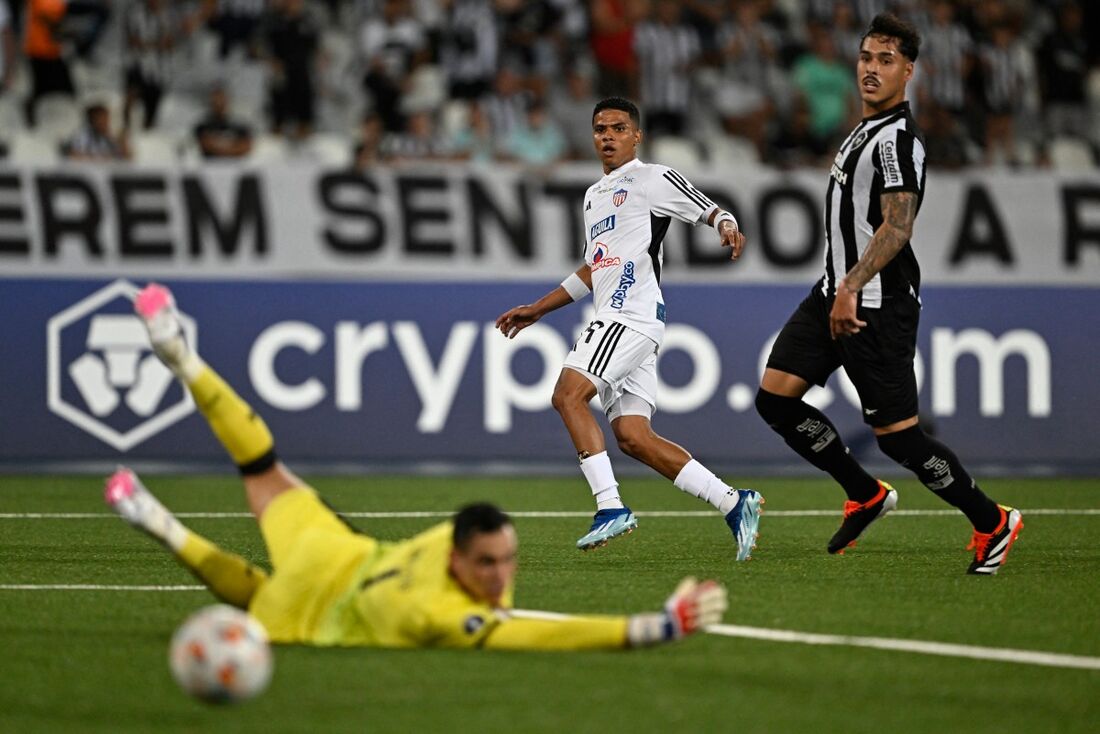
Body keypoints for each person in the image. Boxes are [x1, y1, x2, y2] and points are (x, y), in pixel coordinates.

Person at [106, 283, 728, 650]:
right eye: (489, 562)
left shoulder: (446, 583)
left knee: (260, 536)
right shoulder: (448, 603)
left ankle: (160, 513)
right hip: (331, 581)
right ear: (455, 556)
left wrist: (654, 626)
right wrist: (655, 628)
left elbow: (537, 629)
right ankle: (180, 369)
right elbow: (540, 636)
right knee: (261, 485)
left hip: (330, 583)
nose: (500, 575)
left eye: (506, 559)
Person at [753, 13, 1023, 576]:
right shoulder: (863, 128)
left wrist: (852, 286)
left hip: (874, 306)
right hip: (834, 293)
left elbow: (898, 227)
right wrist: (839, 286)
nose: (872, 70)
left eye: (886, 61)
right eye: (866, 58)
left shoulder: (899, 141)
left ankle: (993, 521)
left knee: (900, 441)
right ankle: (865, 493)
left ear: (909, 71)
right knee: (775, 399)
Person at [495, 97, 763, 557]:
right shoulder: (594, 196)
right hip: (625, 320)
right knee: (634, 437)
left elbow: (706, 207)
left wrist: (726, 223)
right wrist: (538, 308)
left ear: (636, 136)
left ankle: (610, 507)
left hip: (629, 316)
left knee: (567, 394)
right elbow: (594, 268)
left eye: (618, 128)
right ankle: (733, 501)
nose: (607, 136)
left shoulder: (651, 178)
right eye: (600, 128)